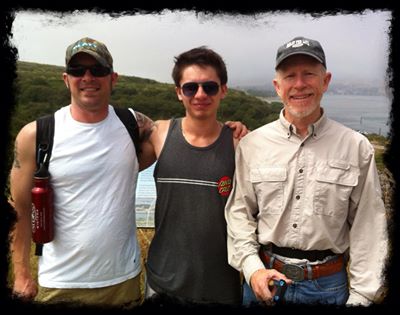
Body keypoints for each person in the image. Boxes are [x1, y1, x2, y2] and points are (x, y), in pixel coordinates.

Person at [9, 37, 247, 308]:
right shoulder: (37, 135)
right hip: (60, 281)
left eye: (97, 70)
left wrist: (236, 130)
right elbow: (20, 209)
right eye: (78, 71)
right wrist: (22, 274)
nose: (88, 77)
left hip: (124, 279)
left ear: (113, 78)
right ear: (66, 78)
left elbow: (188, 140)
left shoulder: (132, 125)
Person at [224, 36, 388, 307]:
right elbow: (240, 213)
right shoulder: (253, 145)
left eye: (309, 74)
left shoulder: (356, 148)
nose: (299, 84)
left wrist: (361, 296)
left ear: (326, 81)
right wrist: (252, 269)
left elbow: (368, 227)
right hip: (265, 282)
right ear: (278, 87)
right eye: (290, 76)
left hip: (327, 289)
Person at [139, 46, 249, 306]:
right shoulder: (160, 134)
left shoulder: (239, 144)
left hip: (221, 285)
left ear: (223, 90)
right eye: (190, 88)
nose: (200, 94)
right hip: (163, 281)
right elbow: (115, 169)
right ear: (179, 92)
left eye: (209, 87)